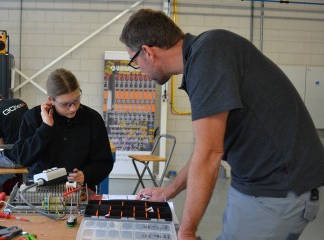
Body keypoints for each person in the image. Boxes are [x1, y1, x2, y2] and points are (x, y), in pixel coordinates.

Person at [120, 8, 324, 240]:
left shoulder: (208, 55)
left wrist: (186, 232)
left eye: (134, 62)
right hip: (253, 183)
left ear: (147, 52)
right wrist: (169, 191)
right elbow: (204, 151)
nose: (140, 71)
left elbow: (209, 154)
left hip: (277, 188)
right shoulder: (205, 56)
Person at [12, 68, 114, 190]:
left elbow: (105, 162)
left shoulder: (92, 119)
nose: (73, 108)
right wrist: (45, 128)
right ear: (51, 100)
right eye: (65, 104)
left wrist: (86, 174)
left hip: (79, 191)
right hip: (41, 190)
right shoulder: (33, 117)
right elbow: (22, 158)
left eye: (76, 100)